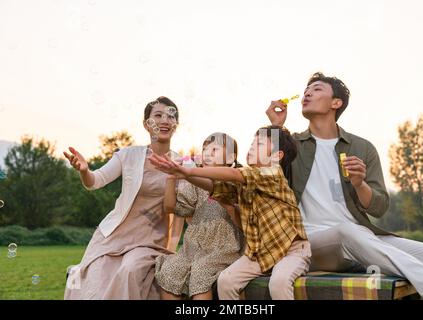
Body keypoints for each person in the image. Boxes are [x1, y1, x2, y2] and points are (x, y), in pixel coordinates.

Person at [266, 72, 423, 300]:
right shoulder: (291, 145)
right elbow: (264, 173)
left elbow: (379, 207)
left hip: (363, 236)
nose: (307, 93)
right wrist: (274, 128)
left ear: (336, 103)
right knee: (346, 232)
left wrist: (360, 184)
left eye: (317, 89)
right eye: (306, 90)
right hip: (309, 244)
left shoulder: (363, 148)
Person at [150, 125, 311, 300]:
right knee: (226, 281)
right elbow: (214, 186)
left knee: (278, 283)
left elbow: (234, 174)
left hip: (291, 250)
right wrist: (181, 174)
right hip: (260, 252)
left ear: (276, 156)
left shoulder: (272, 173)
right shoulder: (244, 183)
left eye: (259, 144)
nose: (251, 146)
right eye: (252, 142)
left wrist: (188, 170)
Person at [63, 96, 184, 299]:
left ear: (176, 125)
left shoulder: (182, 165)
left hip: (150, 240)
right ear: (146, 124)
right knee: (92, 278)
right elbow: (95, 181)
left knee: (129, 270)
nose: (165, 120)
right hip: (113, 234)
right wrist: (84, 171)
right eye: (158, 115)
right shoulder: (128, 155)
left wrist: (172, 247)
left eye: (171, 116)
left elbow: (182, 208)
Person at [155, 132, 244, 300]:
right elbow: (169, 207)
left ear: (231, 157)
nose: (207, 153)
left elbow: (217, 188)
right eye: (205, 149)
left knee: (200, 271)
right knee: (169, 271)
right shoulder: (195, 182)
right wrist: (171, 176)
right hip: (194, 247)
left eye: (215, 149)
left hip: (225, 246)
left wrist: (189, 173)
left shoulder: (236, 179)